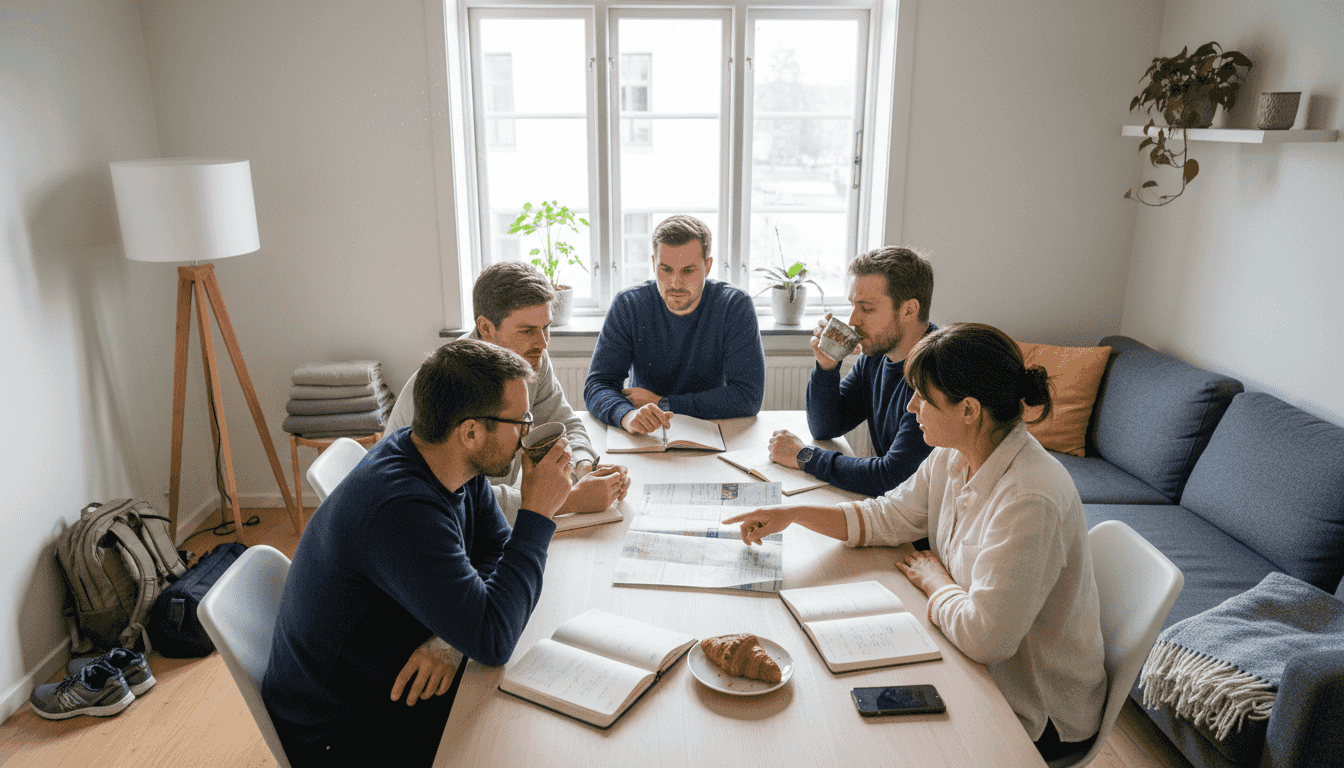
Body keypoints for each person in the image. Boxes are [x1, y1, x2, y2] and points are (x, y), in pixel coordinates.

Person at [725, 323, 1106, 760]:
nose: (911, 406)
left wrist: (935, 581)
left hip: (1033, 710)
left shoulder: (1030, 499)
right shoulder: (953, 453)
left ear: (968, 410)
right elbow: (889, 515)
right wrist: (791, 514)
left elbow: (986, 639)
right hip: (978, 665)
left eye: (924, 397)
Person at [263, 340, 573, 766]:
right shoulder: (401, 510)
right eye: (520, 421)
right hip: (344, 732)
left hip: (388, 677)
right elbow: (494, 639)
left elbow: (496, 548)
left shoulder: (451, 463)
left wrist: (451, 638)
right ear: (470, 431)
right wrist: (538, 513)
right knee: (530, 729)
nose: (525, 434)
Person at [384, 261, 629, 523]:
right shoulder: (453, 384)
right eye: (527, 331)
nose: (543, 343)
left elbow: (564, 422)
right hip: (415, 521)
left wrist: (583, 467)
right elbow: (458, 499)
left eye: (546, 327)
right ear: (487, 328)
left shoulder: (530, 358)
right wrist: (574, 500)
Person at [768, 246, 937, 497]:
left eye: (866, 309)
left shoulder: (936, 371)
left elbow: (891, 476)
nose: (853, 320)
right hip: (893, 509)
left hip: (923, 528)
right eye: (853, 305)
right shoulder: (877, 356)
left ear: (909, 310)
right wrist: (827, 366)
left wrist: (805, 456)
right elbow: (826, 426)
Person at [584, 215, 765, 435]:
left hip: (712, 431)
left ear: (707, 267)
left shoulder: (734, 305)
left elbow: (748, 397)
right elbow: (598, 384)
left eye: (688, 271)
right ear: (653, 263)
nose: (675, 284)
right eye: (666, 269)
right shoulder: (629, 304)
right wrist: (626, 415)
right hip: (646, 433)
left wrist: (664, 403)